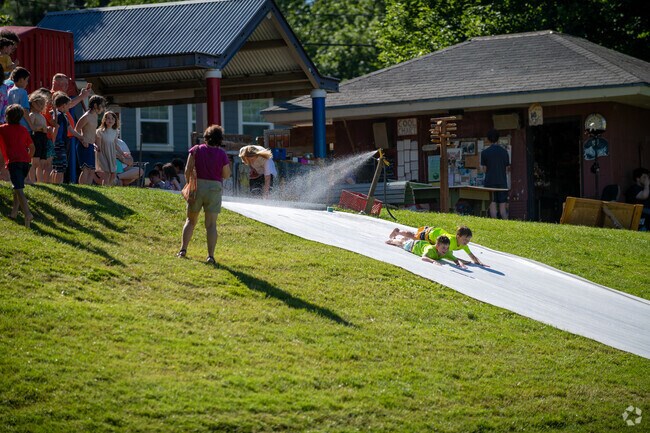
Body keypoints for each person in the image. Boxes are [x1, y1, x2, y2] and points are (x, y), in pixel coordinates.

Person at [177, 124, 231, 264]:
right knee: (211, 225)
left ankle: (183, 250)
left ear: (206, 137)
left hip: (198, 187)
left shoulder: (195, 150)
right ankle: (210, 256)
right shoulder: (222, 154)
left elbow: (187, 169)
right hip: (214, 188)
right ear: (220, 139)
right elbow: (226, 175)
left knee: (190, 220)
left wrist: (189, 184)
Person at [0, 104, 35, 227]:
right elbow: (32, 147)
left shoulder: (2, 129)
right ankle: (14, 213)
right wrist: (28, 159)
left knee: (18, 189)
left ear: (7, 116)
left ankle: (27, 213)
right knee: (17, 186)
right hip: (25, 162)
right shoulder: (24, 130)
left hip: (14, 162)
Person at [389, 225, 487, 266]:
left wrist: (480, 263)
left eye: (468, 240)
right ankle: (398, 232)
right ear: (458, 236)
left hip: (435, 237)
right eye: (465, 239)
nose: (466, 242)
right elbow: (447, 254)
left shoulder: (463, 245)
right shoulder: (450, 241)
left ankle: (400, 238)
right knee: (414, 237)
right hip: (430, 234)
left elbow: (472, 256)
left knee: (414, 240)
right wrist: (461, 261)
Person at [75, 95, 106, 185]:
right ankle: (82, 188)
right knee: (86, 169)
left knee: (92, 170)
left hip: (91, 145)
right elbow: (76, 130)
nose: (103, 108)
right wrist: (82, 140)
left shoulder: (95, 116)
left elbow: (92, 132)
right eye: (102, 106)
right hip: (83, 145)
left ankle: (88, 188)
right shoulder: (86, 116)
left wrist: (96, 144)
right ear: (95, 105)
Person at [481, 129, 510, 219]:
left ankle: (494, 223)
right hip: (502, 182)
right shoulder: (504, 152)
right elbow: (507, 169)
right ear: (498, 139)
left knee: (492, 206)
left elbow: (484, 170)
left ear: (488, 139)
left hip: (490, 182)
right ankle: (506, 225)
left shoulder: (484, 153)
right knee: (503, 208)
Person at [387, 234, 464, 267]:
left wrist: (460, 264)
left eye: (447, 248)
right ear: (437, 246)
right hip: (413, 246)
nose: (446, 250)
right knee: (402, 244)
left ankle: (403, 238)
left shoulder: (446, 252)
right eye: (443, 247)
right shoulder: (430, 250)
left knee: (405, 241)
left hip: (422, 243)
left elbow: (456, 260)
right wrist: (433, 261)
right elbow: (423, 257)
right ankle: (392, 240)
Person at [95, 111, 123, 186]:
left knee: (113, 173)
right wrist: (99, 153)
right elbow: (98, 144)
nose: (110, 120)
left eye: (112, 118)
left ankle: (109, 186)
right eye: (108, 118)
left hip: (111, 154)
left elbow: (115, 144)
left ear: (115, 121)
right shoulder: (100, 131)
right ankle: (105, 187)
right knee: (107, 173)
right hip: (103, 154)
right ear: (104, 120)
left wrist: (122, 153)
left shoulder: (115, 131)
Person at [28, 93, 49, 183]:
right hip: (36, 138)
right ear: (33, 103)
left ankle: (40, 181)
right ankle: (32, 180)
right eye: (40, 104)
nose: (42, 106)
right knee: (34, 162)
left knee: (41, 163)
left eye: (43, 104)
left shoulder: (41, 116)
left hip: (43, 138)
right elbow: (31, 128)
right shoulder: (32, 115)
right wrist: (40, 128)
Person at [7, 67, 34, 132]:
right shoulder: (23, 92)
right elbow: (25, 111)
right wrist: (31, 126)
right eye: (27, 80)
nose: (27, 83)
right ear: (21, 80)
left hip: (12, 125)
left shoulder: (9, 91)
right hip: (23, 126)